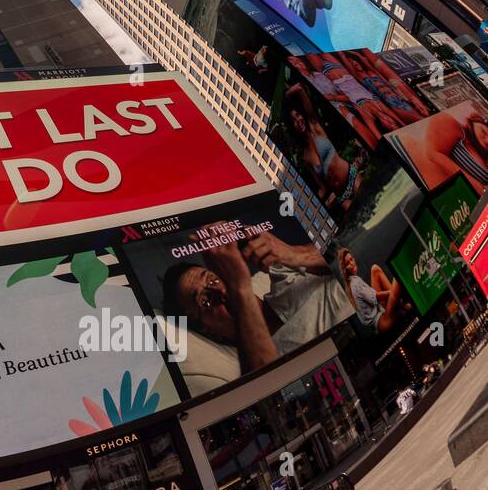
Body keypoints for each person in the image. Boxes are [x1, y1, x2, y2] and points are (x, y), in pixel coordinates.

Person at [160, 224, 355, 382]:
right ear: (207, 330)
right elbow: (267, 389)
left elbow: (349, 249)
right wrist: (239, 289)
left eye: (212, 279)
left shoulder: (283, 272)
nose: (219, 290)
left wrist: (291, 253)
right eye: (204, 300)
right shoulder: (253, 363)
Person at [284, 83, 364, 216]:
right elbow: (322, 188)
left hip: (351, 176)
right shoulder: (305, 157)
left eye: (298, 115)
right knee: (359, 220)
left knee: (372, 205)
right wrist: (308, 205)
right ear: (293, 127)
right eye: (293, 120)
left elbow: (299, 88)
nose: (298, 120)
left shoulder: (314, 126)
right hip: (342, 197)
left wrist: (287, 97)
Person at [399, 106, 488, 193]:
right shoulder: (452, 124)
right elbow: (432, 154)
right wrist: (477, 187)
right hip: (409, 165)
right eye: (484, 131)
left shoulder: (479, 151)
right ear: (475, 121)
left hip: (430, 188)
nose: (487, 140)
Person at [337, 247, 406, 335]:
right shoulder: (355, 284)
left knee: (375, 269)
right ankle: (403, 308)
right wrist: (393, 292)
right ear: (345, 269)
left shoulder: (352, 281)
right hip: (382, 322)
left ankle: (401, 308)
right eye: (347, 263)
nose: (352, 263)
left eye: (351, 259)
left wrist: (393, 294)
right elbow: (376, 297)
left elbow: (373, 298)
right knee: (397, 280)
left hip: (379, 314)